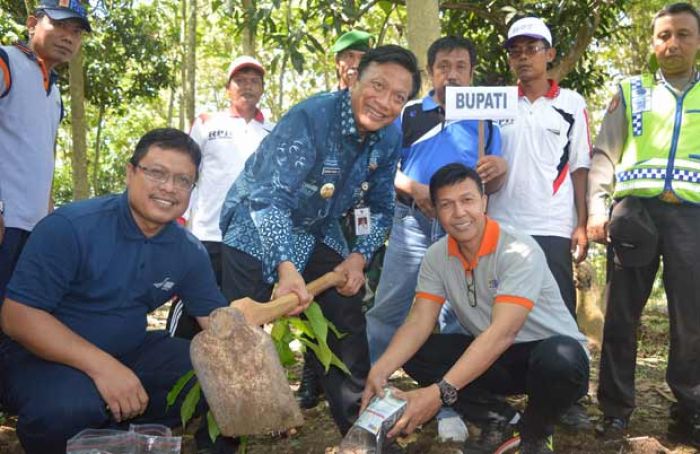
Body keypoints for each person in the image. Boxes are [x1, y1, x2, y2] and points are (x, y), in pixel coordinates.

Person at [218, 45, 421, 434]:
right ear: (354, 77)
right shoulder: (312, 117)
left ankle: (363, 434)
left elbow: (380, 207)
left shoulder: (389, 137)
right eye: (378, 86)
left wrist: (359, 256)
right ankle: (225, 441)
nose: (385, 102)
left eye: (399, 97)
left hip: (317, 227)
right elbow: (269, 197)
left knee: (346, 320)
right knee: (237, 341)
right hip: (255, 222)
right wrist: (286, 269)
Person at [0, 129, 240, 454]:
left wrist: (258, 376)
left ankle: (119, 436)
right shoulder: (71, 227)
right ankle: (78, 431)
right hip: (42, 357)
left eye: (183, 180)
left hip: (130, 351)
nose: (169, 187)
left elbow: (216, 321)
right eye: (157, 173)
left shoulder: (187, 250)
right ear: (130, 173)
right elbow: (18, 317)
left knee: (219, 372)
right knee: (69, 408)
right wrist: (103, 367)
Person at [362, 163, 590, 454]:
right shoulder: (437, 256)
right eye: (446, 204)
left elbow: (503, 333)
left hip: (547, 358)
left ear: (484, 202)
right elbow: (419, 321)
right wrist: (381, 369)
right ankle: (502, 419)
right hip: (498, 358)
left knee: (561, 357)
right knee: (419, 353)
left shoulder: (518, 250)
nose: (459, 213)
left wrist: (437, 395)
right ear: (434, 210)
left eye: (467, 200)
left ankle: (536, 433)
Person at [364, 35, 507, 442]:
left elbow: (491, 180)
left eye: (461, 66)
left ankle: (447, 404)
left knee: (456, 318)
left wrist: (501, 166)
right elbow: (382, 169)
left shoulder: (486, 120)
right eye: (444, 66)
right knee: (389, 307)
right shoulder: (407, 113)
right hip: (410, 222)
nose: (453, 74)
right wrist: (416, 189)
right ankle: (373, 398)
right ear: (431, 72)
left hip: (461, 232)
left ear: (472, 72)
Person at [587, 3, 700, 447]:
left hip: (692, 220)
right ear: (654, 43)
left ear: (698, 40)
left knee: (691, 321)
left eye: (684, 35)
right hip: (634, 215)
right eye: (664, 35)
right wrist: (597, 210)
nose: (672, 43)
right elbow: (604, 155)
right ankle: (615, 413)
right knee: (620, 318)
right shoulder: (630, 91)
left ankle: (689, 410)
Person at [486, 16, 592, 429]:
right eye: (515, 49)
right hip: (500, 225)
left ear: (549, 54)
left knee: (559, 312)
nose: (523, 56)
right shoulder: (495, 102)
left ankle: (569, 398)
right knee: (501, 309)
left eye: (532, 48)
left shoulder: (572, 103)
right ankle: (500, 389)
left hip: (550, 224)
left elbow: (581, 166)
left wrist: (581, 223)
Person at [167, 55, 274, 338]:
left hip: (252, 240)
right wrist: (178, 223)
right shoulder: (206, 124)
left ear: (262, 89)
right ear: (228, 88)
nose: (247, 87)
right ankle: (172, 373)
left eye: (254, 81)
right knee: (192, 307)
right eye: (240, 81)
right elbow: (185, 172)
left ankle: (238, 380)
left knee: (245, 318)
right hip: (206, 233)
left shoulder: (274, 133)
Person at [296, 29, 374, 411]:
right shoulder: (319, 110)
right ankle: (313, 379)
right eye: (349, 58)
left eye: (362, 57)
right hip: (318, 225)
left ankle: (350, 385)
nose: (354, 64)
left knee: (353, 301)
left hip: (358, 223)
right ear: (338, 64)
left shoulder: (381, 117)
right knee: (312, 300)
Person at [0, 0, 90, 302]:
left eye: (76, 32)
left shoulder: (54, 92)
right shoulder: (6, 63)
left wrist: (48, 221)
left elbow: (42, 159)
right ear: (31, 23)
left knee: (16, 318)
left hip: (30, 228)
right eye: (60, 25)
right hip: (5, 220)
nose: (68, 37)